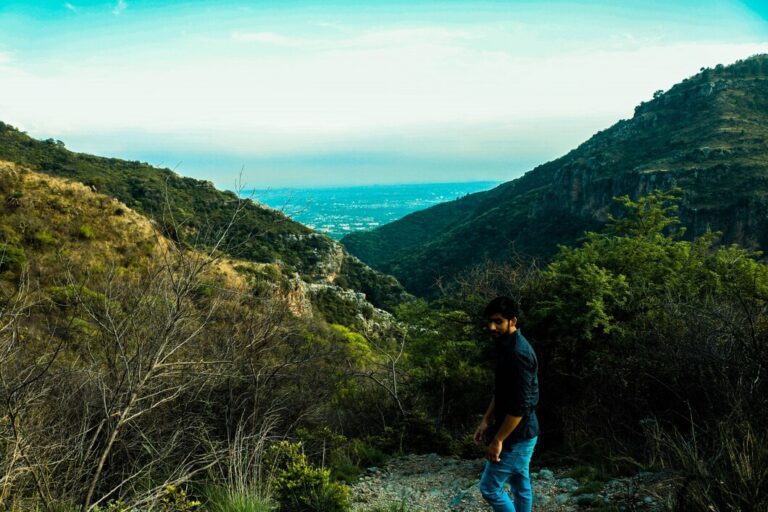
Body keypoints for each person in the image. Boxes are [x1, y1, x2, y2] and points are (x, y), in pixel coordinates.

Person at [474, 296, 539, 512]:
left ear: (513, 321)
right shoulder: (505, 346)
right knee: (520, 483)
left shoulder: (518, 354)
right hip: (522, 432)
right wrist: (486, 420)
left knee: (489, 487)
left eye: (498, 321)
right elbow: (502, 392)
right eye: (490, 321)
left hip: (517, 435)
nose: (491, 327)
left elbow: (519, 406)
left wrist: (498, 440)